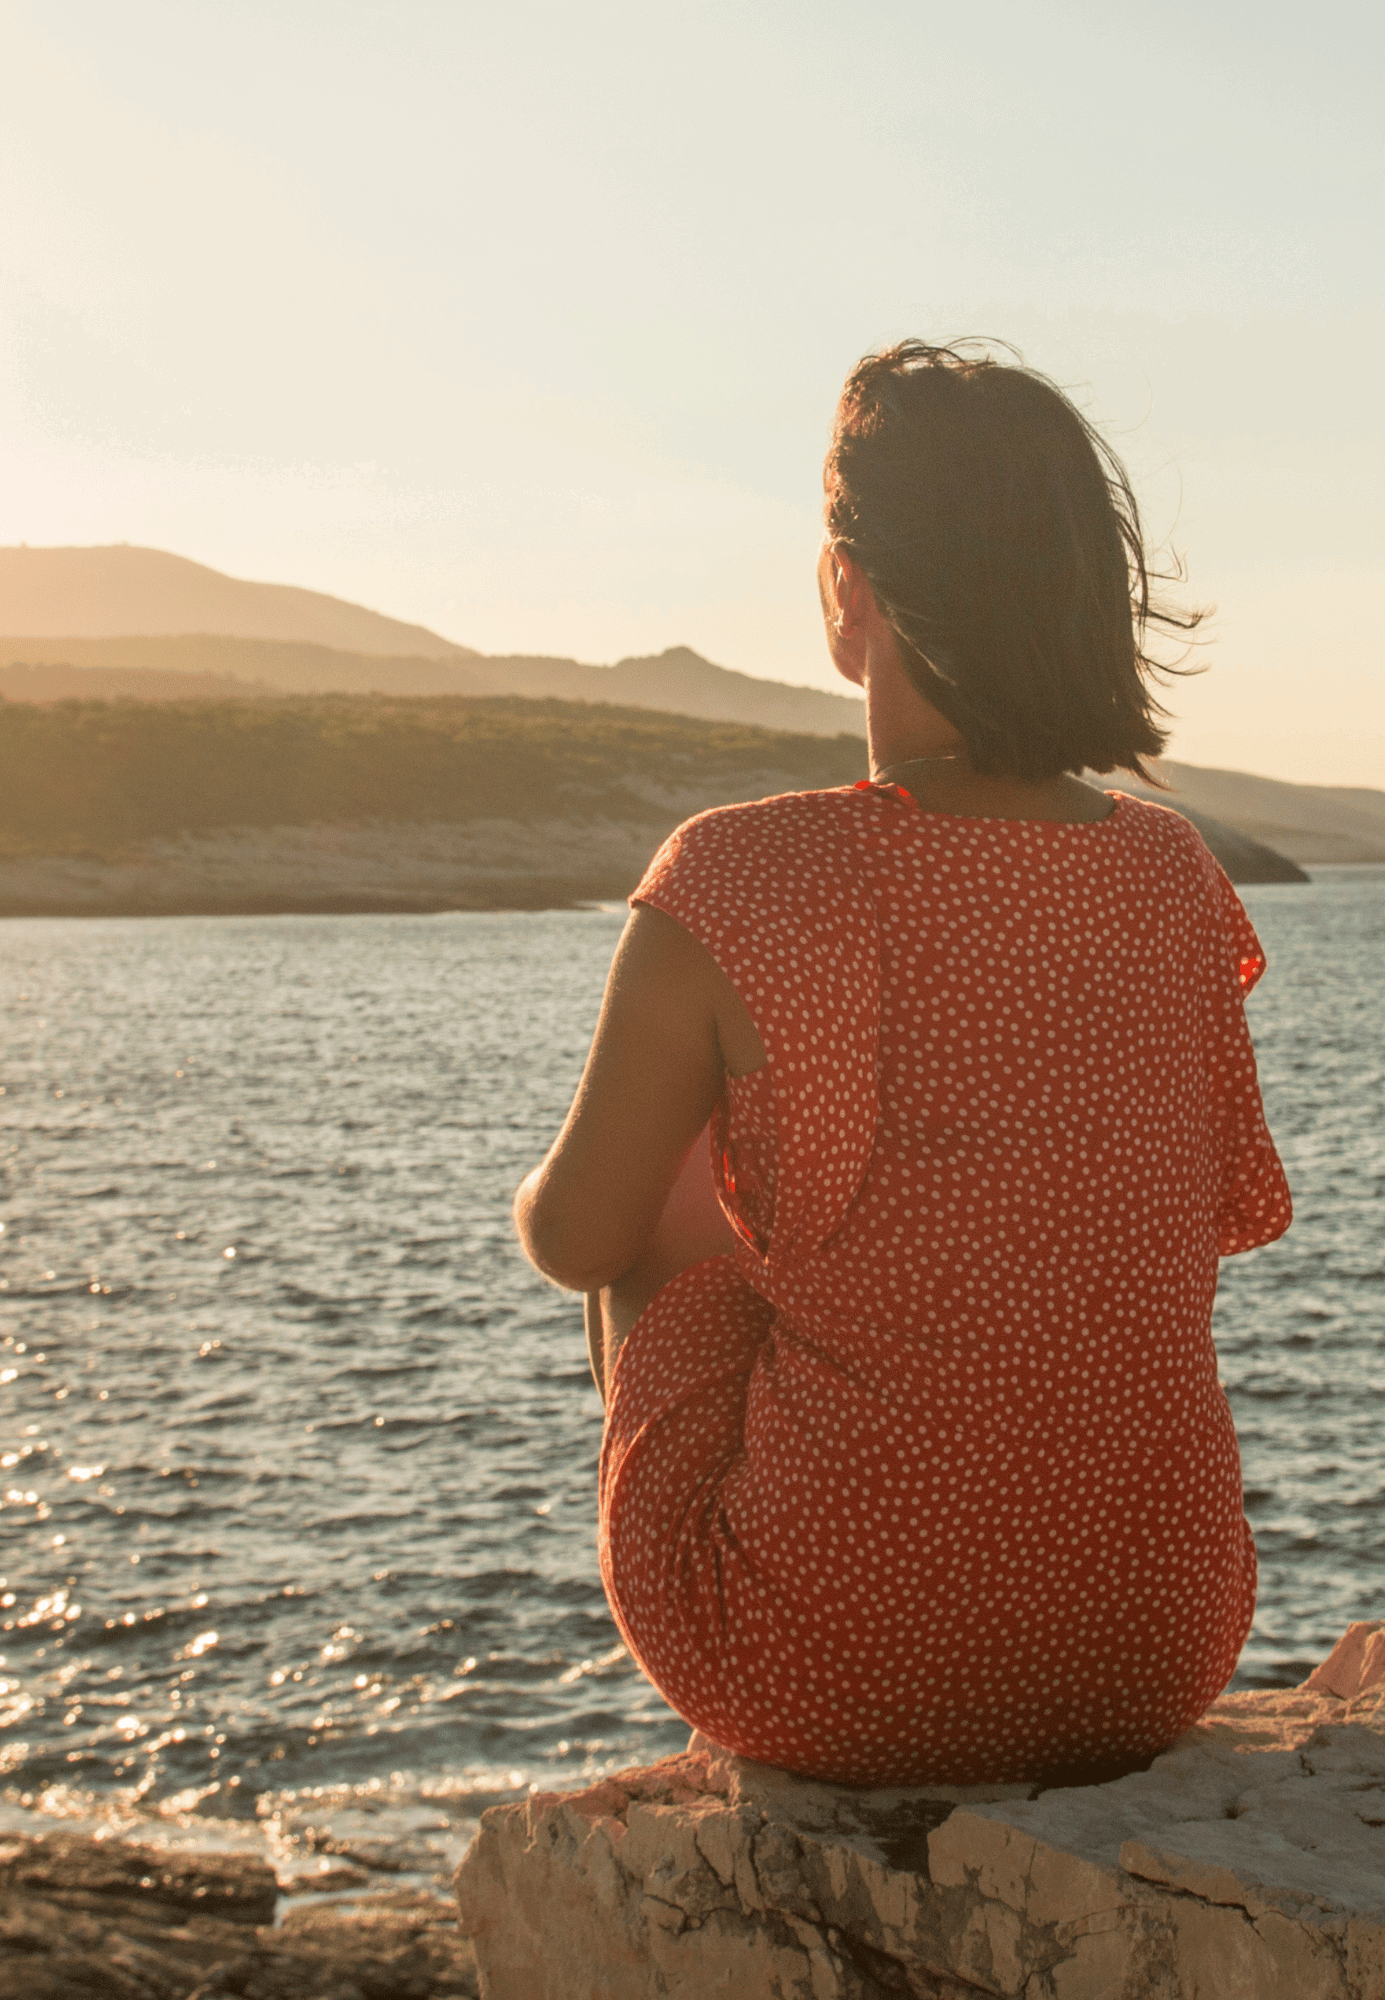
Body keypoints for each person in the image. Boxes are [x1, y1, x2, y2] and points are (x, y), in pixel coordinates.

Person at [513, 340, 1292, 1788]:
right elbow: (1194, 1225)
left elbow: (580, 1240)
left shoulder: (740, 873)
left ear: (844, 592)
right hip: (1156, 1656)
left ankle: (748, 1706)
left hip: (830, 1672)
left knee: (665, 1231)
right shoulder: (1174, 873)